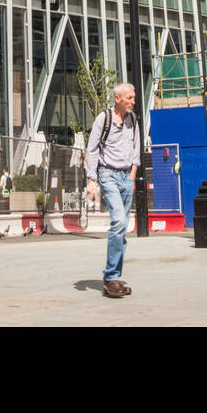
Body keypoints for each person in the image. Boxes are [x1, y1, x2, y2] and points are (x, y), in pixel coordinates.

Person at [85, 83, 140, 298]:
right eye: (129, 97)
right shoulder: (104, 118)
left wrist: (132, 176)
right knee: (118, 221)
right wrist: (92, 179)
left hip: (127, 177)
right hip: (107, 174)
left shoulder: (133, 120)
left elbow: (136, 148)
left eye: (134, 97)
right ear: (118, 99)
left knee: (123, 227)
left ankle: (114, 277)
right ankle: (110, 276)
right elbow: (91, 148)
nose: (133, 101)